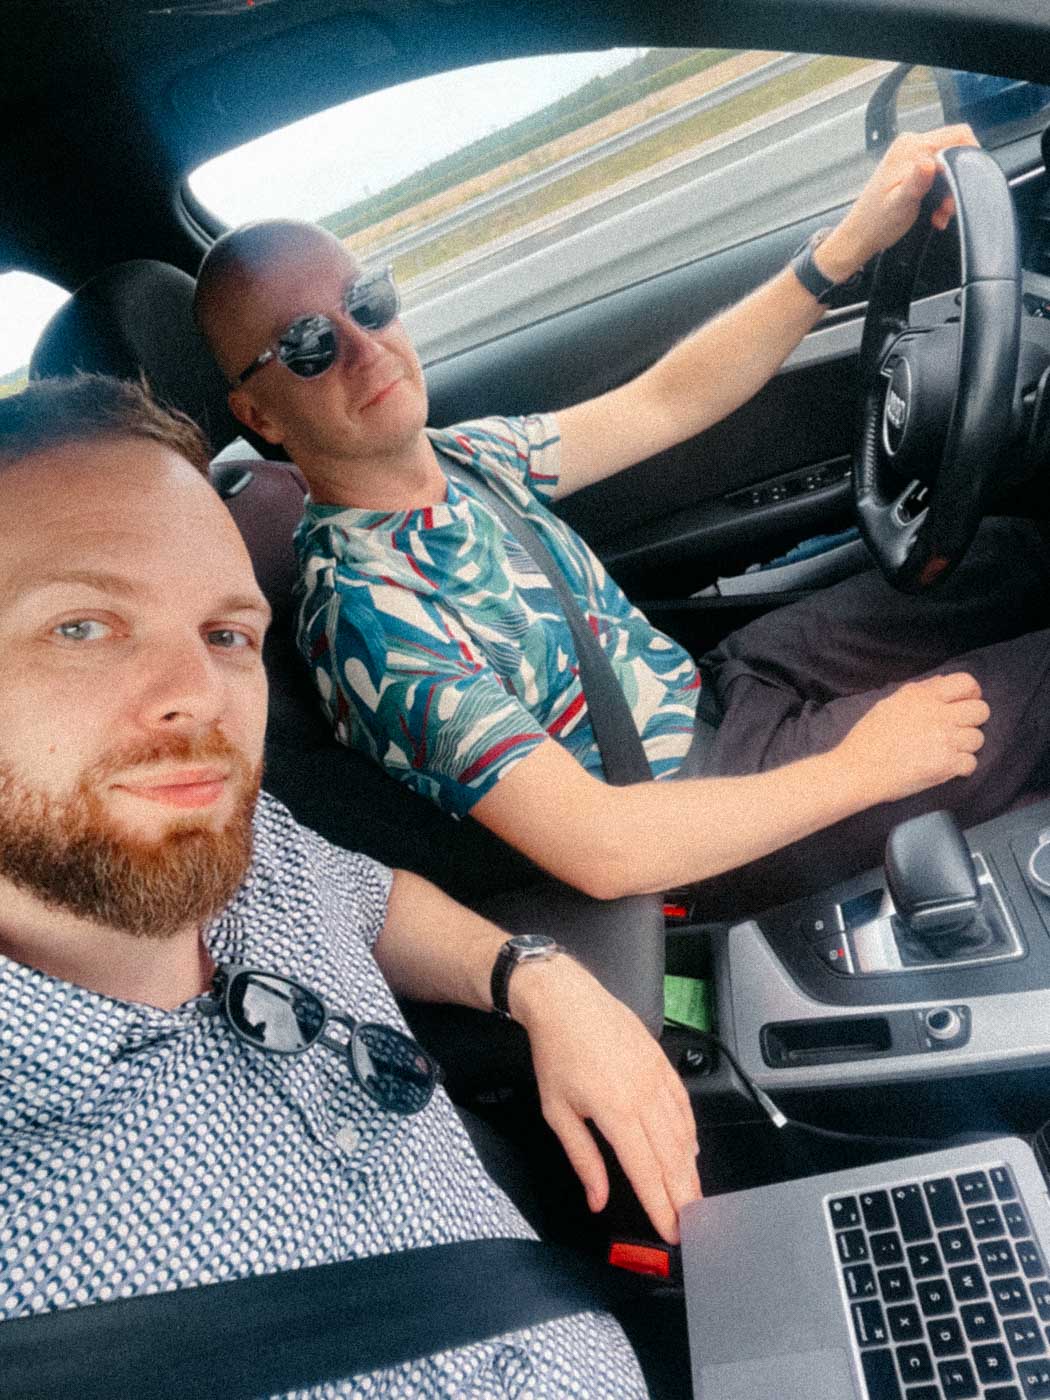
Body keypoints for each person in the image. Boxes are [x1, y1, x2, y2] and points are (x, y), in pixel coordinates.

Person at [0, 374, 701, 1395]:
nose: (198, 696)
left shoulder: (236, 845)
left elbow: (372, 901)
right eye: (82, 626)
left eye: (226, 634)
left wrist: (538, 981)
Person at [193, 125, 1050, 918]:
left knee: (1009, 554)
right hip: (704, 828)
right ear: (259, 416)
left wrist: (847, 248)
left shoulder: (464, 457)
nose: (365, 346)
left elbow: (666, 400)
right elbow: (605, 849)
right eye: (308, 346)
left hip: (716, 693)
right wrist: (862, 767)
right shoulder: (367, 613)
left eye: (368, 300)